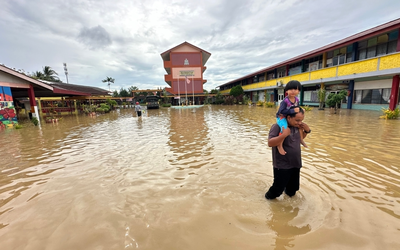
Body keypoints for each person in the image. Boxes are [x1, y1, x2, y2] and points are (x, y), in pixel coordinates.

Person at [265, 108, 311, 200]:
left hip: (295, 163)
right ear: (289, 117)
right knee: (277, 190)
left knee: (292, 189)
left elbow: (298, 139)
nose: (299, 122)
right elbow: (270, 143)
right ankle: (267, 200)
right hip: (282, 165)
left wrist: (306, 131)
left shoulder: (297, 127)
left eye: (301, 120)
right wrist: (283, 135)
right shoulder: (278, 127)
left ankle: (289, 205)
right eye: (297, 120)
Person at [276, 80, 307, 155]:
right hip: (282, 117)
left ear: (299, 91)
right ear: (286, 91)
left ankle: (301, 140)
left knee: (299, 126)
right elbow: (281, 111)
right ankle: (279, 145)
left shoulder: (297, 100)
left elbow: (296, 108)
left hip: (291, 117)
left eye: (295, 89)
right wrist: (292, 111)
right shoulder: (285, 101)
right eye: (291, 89)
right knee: (284, 128)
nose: (293, 91)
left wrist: (301, 109)